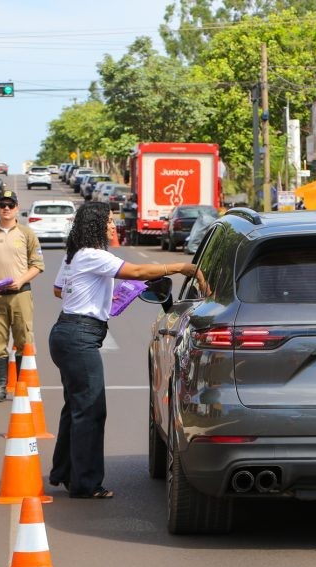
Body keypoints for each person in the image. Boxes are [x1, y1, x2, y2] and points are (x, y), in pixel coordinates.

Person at [47, 201, 205, 499]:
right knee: (91, 410)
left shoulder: (75, 256)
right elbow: (139, 270)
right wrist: (184, 267)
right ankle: (85, 484)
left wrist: (95, 290)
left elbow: (58, 289)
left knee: (76, 407)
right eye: (108, 221)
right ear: (95, 225)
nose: (112, 225)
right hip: (80, 335)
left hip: (68, 332)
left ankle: (65, 472)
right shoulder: (93, 255)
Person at [0, 191, 44, 402]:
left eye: (10, 205)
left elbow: (38, 265)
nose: (6, 208)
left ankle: (22, 387)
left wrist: (21, 280)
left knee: (24, 340)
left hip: (20, 294)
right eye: (2, 204)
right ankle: (0, 388)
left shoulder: (26, 233)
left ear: (16, 208)